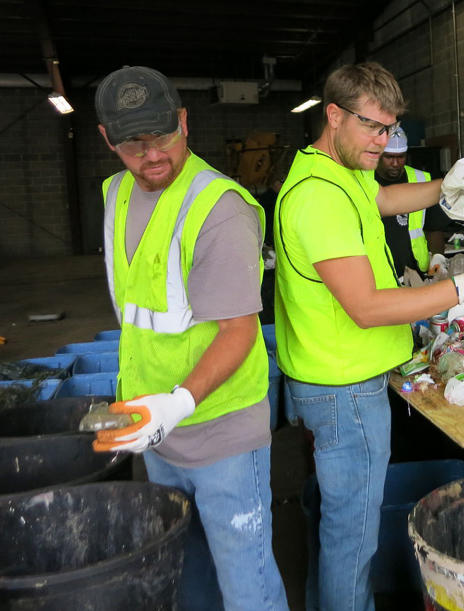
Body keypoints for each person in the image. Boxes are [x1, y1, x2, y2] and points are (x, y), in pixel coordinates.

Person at [272, 61, 464, 611]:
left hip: (344, 380)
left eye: (390, 129)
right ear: (334, 115)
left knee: (346, 529)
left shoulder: (341, 173)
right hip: (343, 389)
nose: (384, 143)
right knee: (352, 539)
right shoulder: (319, 196)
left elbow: (385, 201)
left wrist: (453, 189)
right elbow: (366, 308)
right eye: (373, 128)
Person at [92, 66, 287, 611]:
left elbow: (239, 330)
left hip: (219, 429)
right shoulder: (116, 194)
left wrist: (175, 403)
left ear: (184, 120)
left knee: (247, 586)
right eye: (134, 142)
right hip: (153, 428)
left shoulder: (218, 209)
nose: (153, 154)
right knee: (187, 573)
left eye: (164, 135)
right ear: (107, 139)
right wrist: (152, 412)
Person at [375, 126, 451, 277]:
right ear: (377, 155)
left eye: (401, 156)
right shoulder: (364, 182)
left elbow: (434, 227)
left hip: (417, 272)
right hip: (378, 275)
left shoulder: (421, 180)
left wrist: (438, 258)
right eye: (389, 157)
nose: (395, 163)